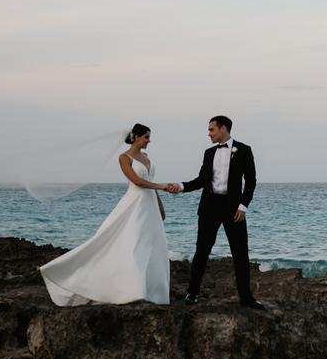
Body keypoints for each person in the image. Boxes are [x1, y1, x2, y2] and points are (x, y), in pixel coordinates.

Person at [38, 123, 171, 305]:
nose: (149, 140)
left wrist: (160, 205)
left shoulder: (146, 157)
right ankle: (131, 290)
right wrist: (163, 186)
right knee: (132, 244)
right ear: (136, 137)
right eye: (147, 137)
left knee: (152, 246)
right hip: (135, 204)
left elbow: (149, 182)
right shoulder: (124, 158)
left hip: (150, 205)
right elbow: (137, 181)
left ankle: (151, 290)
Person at [168, 115, 262, 308]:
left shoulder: (244, 150)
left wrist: (243, 206)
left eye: (211, 129)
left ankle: (246, 297)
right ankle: (192, 294)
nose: (208, 133)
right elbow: (202, 180)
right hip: (209, 208)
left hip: (234, 209)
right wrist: (181, 186)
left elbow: (251, 181)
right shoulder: (209, 153)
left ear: (223, 129)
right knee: (201, 252)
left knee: (240, 254)